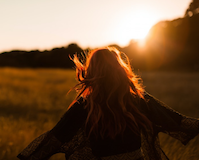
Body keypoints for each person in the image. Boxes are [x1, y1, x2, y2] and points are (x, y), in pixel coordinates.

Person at [17, 47, 199, 160]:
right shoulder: (138, 99)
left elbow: (53, 140)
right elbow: (179, 121)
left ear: (91, 72)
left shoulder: (84, 106)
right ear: (119, 70)